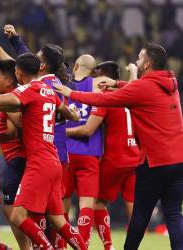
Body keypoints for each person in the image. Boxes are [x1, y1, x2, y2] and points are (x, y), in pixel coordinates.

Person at [53, 43, 183, 250]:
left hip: (154, 162)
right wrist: (117, 82)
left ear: (147, 63)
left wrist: (71, 93)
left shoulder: (142, 87)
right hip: (177, 160)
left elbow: (103, 100)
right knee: (174, 214)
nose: (137, 62)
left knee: (139, 212)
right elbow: (139, 89)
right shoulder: (171, 82)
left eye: (140, 59)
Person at [0, 53, 87, 250]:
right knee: (58, 221)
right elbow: (64, 109)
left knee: (17, 215)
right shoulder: (47, 90)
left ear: (18, 72)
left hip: (38, 163)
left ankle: (46, 248)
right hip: (54, 161)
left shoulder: (28, 90)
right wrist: (72, 115)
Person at [71, 61, 139, 250]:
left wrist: (63, 131)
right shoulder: (131, 94)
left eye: (97, 75)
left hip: (115, 158)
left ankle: (108, 246)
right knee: (132, 204)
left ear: (104, 78)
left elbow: (88, 129)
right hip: (134, 156)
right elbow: (134, 84)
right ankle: (133, 245)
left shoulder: (107, 97)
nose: (94, 80)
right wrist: (133, 71)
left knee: (98, 202)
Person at [0, 59, 30, 250]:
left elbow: (16, 129)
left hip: (17, 158)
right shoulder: (4, 96)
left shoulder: (12, 97)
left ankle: (27, 247)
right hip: (10, 157)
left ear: (8, 80)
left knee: (11, 208)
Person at [63, 54, 103, 246]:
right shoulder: (97, 86)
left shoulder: (63, 87)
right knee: (86, 204)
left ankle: (59, 245)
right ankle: (83, 244)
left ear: (76, 65)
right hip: (89, 154)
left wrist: (63, 133)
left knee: (62, 202)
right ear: (94, 71)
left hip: (66, 154)